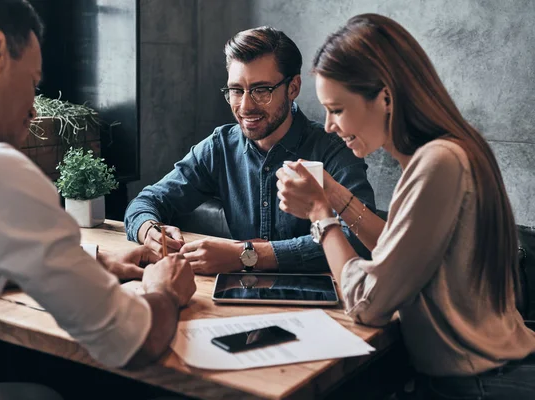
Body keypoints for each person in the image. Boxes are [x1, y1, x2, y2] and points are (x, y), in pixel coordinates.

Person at [0, 1, 196, 400]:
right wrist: (166, 292)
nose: (34, 107)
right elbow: (131, 341)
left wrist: (97, 262)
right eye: (33, 82)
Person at [276, 13, 535, 399]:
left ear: (385, 97)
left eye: (338, 109)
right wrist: (333, 195)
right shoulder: (444, 153)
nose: (329, 125)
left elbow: (367, 303)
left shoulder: (438, 164)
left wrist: (320, 216)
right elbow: (394, 257)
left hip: (480, 387)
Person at [125, 26, 375, 275]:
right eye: (236, 90)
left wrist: (247, 256)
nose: (245, 106)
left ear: (293, 88)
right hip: (240, 299)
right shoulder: (220, 146)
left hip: (329, 303)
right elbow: (146, 201)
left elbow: (359, 238)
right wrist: (149, 231)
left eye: (261, 90)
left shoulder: (333, 149)